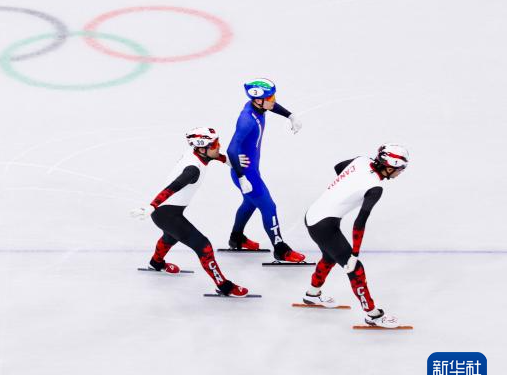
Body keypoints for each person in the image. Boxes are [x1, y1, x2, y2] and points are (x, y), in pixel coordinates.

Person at [132, 128, 249, 297]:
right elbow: (173, 187)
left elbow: (216, 156)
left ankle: (156, 263)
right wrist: (152, 206)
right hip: (165, 214)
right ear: (202, 148)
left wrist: (231, 163)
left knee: (170, 237)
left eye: (217, 142)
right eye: (214, 145)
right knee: (204, 246)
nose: (218, 146)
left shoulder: (198, 153)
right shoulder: (193, 169)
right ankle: (224, 286)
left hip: (167, 212)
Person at [301, 144, 409, 328]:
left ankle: (312, 294)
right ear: (389, 167)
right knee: (355, 269)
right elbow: (359, 222)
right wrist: (355, 254)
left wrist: (345, 189)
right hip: (324, 225)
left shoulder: (362, 160)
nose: (400, 173)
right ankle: (373, 315)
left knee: (329, 257)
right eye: (400, 169)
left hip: (313, 214)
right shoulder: (375, 188)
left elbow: (338, 167)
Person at [226, 78, 306, 262]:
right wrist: (242, 177)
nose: (274, 101)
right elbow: (231, 149)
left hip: (250, 170)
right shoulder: (247, 120)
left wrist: (290, 115)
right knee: (269, 206)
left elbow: (271, 106)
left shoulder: (258, 106)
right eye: (270, 98)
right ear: (258, 100)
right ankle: (280, 249)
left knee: (249, 204)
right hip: (245, 174)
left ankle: (236, 238)